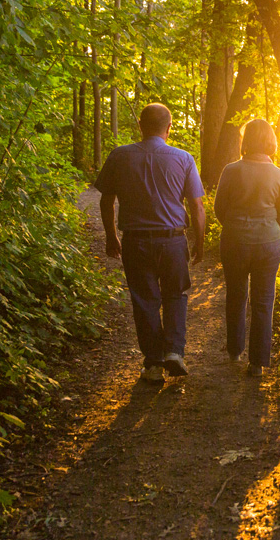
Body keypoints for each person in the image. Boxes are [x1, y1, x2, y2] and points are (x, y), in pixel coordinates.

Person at [96, 103, 205, 384]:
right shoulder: (184, 158)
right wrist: (200, 241)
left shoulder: (119, 156)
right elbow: (196, 205)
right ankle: (174, 352)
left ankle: (154, 363)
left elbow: (106, 200)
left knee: (144, 301)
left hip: (136, 242)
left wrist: (111, 235)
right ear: (169, 128)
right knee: (175, 295)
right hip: (172, 241)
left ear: (140, 126)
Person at [213, 119, 280, 378]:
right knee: (263, 301)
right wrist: (264, 227)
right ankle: (257, 363)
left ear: (246, 141)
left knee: (236, 296)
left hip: (235, 240)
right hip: (268, 243)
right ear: (270, 141)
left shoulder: (231, 170)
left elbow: (218, 209)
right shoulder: (279, 175)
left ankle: (235, 351)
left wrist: (237, 226)